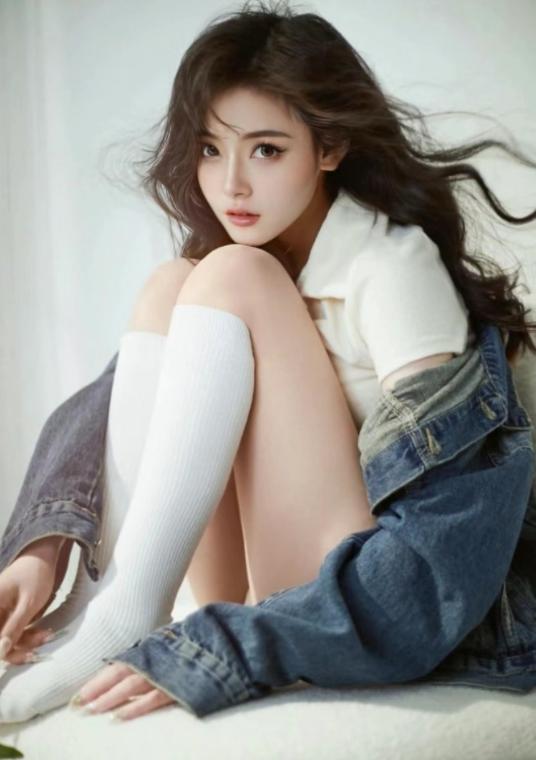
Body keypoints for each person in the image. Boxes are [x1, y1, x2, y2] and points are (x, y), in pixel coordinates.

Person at [0, 0, 536, 723]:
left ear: (329, 148)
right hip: (256, 580)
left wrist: (235, 647)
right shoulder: (251, 259)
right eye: (210, 149)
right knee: (174, 284)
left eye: (267, 150)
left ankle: (128, 615)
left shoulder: (391, 267)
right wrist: (40, 549)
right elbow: (115, 397)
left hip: (359, 594)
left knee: (231, 275)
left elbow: (447, 529)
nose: (232, 185)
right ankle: (107, 601)